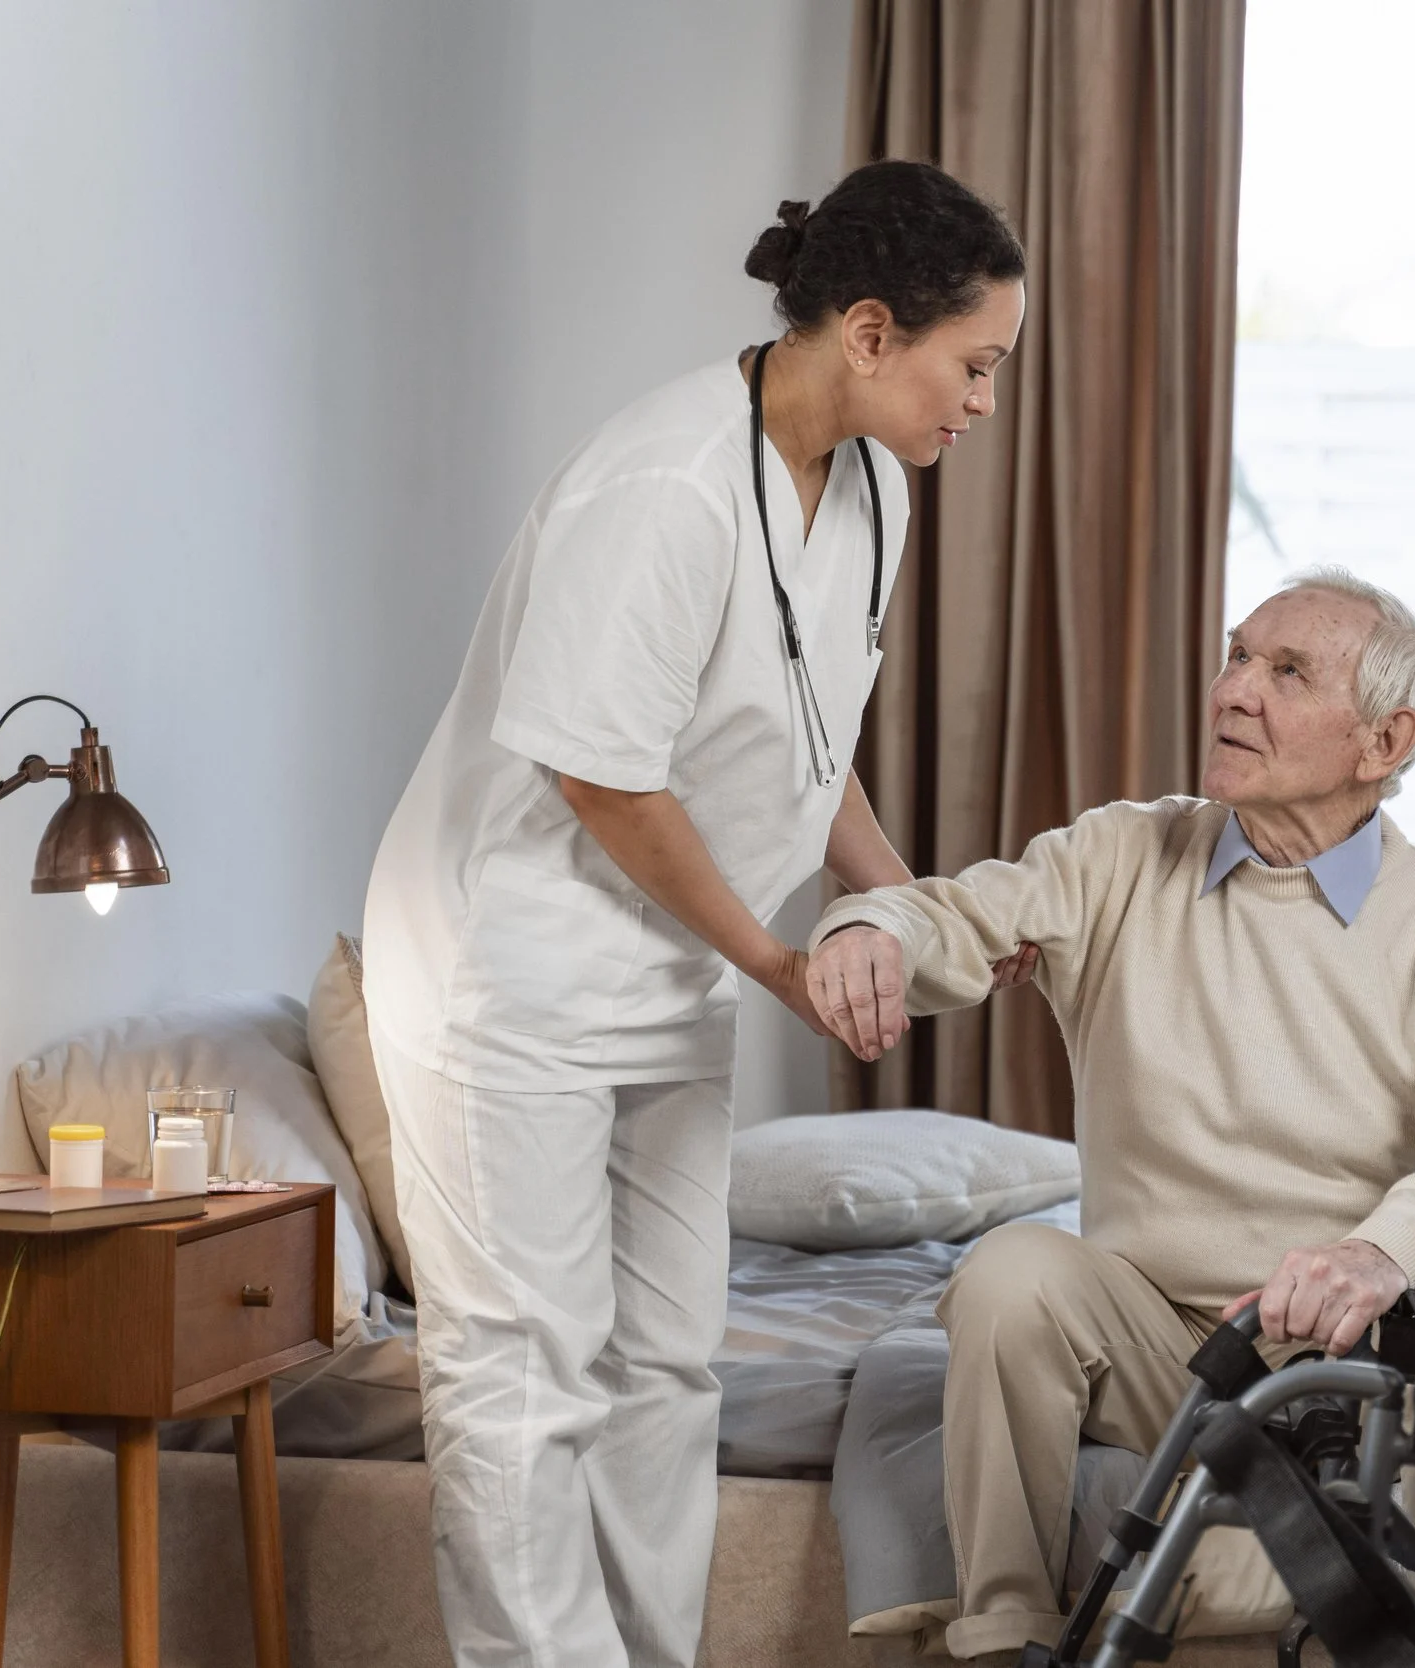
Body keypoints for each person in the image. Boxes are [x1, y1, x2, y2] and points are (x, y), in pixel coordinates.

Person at [359, 160, 1029, 1668]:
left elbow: (809, 732)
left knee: (669, 1360)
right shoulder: (660, 486)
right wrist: (783, 962)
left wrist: (913, 905)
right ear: (868, 332)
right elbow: (607, 780)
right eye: (972, 364)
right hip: (509, 970)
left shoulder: (872, 488)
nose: (984, 401)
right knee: (521, 1363)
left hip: (672, 965)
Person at [806, 568, 1415, 1661]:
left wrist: (1372, 1255)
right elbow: (959, 917)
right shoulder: (1121, 854)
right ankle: (1004, 1632)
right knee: (1011, 1271)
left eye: (1286, 671)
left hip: (1350, 1350)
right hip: (1157, 1337)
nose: (1233, 691)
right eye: (1235, 655)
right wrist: (868, 930)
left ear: (1382, 742)